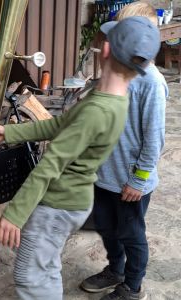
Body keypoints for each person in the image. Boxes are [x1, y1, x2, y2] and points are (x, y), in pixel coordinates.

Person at [0, 16, 161, 300]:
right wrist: (10, 132)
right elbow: (60, 125)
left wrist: (15, 213)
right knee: (44, 266)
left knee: (30, 276)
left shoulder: (97, 109)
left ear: (105, 51)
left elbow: (51, 163)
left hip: (58, 203)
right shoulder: (110, 100)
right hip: (74, 200)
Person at [80, 3, 168, 300]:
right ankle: (115, 270)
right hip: (104, 175)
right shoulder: (115, 71)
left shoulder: (151, 83)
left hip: (130, 183)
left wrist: (139, 180)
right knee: (106, 227)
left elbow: (154, 140)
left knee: (131, 235)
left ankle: (132, 285)